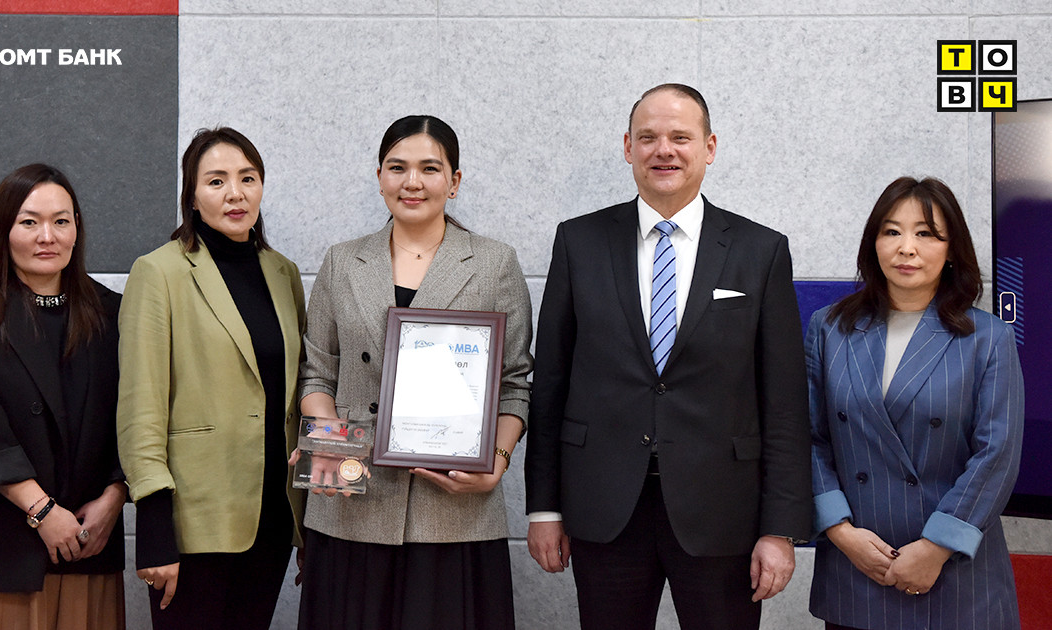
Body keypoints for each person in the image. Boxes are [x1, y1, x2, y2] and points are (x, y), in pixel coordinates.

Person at [524, 83, 812, 630]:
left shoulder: (761, 250)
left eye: (681, 137)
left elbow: (784, 401)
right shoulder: (579, 241)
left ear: (709, 147)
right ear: (627, 147)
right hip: (604, 504)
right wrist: (543, 507)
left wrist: (780, 528)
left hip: (722, 510)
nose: (664, 150)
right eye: (648, 137)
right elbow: (551, 384)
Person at [295, 114, 533, 630]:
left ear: (454, 180)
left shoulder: (494, 264)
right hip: (353, 496)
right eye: (397, 167)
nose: (412, 182)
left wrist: (495, 463)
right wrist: (330, 445)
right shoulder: (341, 262)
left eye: (430, 168)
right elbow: (317, 374)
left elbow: (515, 383)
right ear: (380, 176)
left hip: (455, 508)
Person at [806, 177, 1023, 630]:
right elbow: (806, 438)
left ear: (952, 249)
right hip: (856, 566)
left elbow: (996, 455)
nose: (907, 248)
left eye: (926, 233)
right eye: (892, 231)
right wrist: (841, 532)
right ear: (874, 244)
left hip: (956, 574)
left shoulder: (988, 338)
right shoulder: (829, 328)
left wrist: (936, 547)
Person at [116, 127, 306, 629]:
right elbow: (140, 410)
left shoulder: (283, 273)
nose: (235, 193)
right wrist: (154, 529)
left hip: (273, 515)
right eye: (217, 181)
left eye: (248, 178)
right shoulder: (159, 272)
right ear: (193, 196)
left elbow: (298, 391)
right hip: (193, 522)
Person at [0, 163, 127, 630]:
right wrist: (43, 512)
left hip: (87, 543)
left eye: (61, 221)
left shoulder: (112, 313)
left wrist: (116, 497)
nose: (47, 236)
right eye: (29, 222)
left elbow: (136, 418)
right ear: (3, 229)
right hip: (0, 550)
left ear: (77, 229)